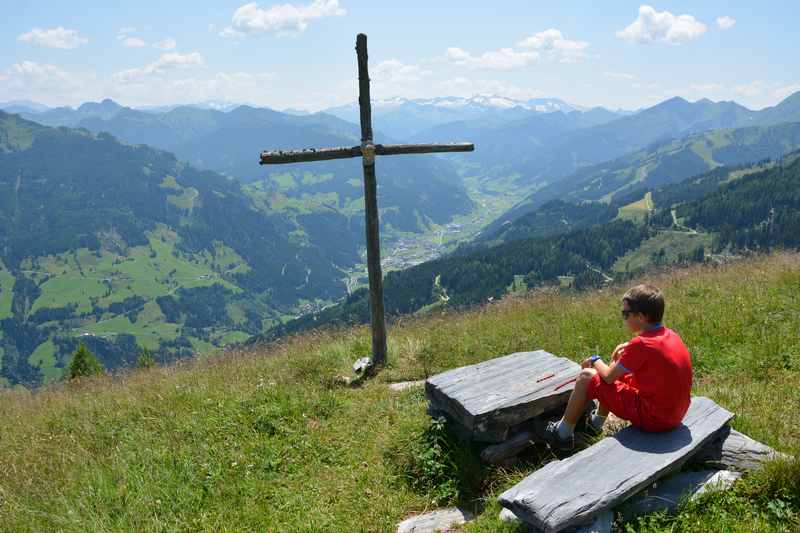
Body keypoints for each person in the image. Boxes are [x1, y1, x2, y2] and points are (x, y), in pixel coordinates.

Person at [539, 284, 693, 450]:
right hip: (675, 414)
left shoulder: (641, 343)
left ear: (641, 317)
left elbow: (608, 376)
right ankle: (595, 424)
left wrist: (594, 360)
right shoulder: (670, 335)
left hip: (655, 419)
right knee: (618, 372)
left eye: (626, 314)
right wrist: (618, 359)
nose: (624, 318)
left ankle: (562, 435)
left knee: (586, 377)